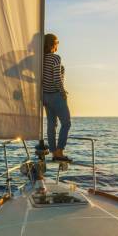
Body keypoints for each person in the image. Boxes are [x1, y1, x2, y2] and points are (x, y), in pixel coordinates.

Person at [42, 33, 71, 162]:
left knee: (52, 125)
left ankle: (54, 152)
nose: (58, 44)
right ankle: (59, 151)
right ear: (52, 44)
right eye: (57, 42)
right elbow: (56, 79)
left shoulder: (40, 60)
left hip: (45, 96)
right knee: (66, 123)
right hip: (55, 94)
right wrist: (63, 92)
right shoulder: (55, 58)